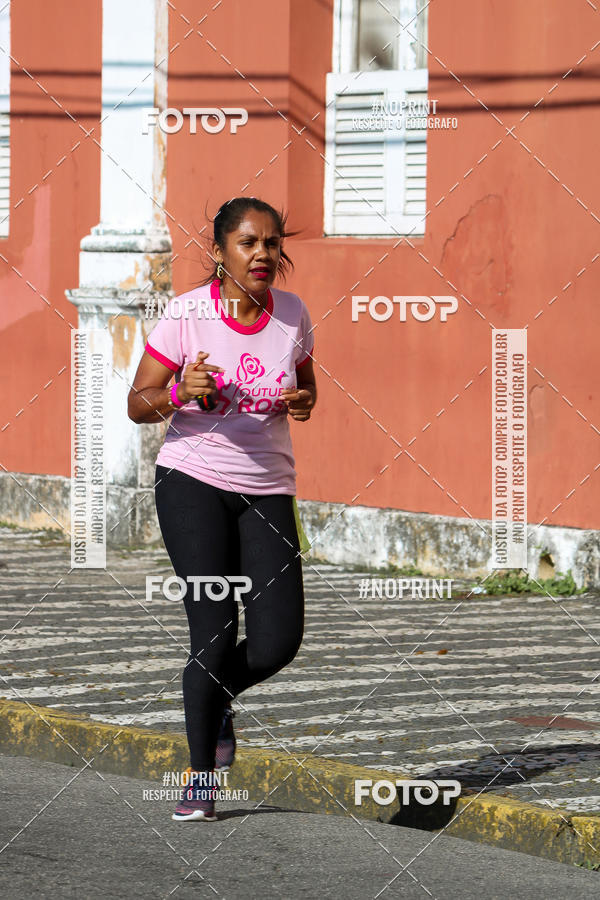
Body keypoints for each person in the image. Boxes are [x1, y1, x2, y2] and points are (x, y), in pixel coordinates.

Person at [127, 197, 316, 821]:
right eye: (247, 242)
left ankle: (217, 700)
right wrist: (181, 391)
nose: (262, 254)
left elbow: (306, 385)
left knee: (278, 641)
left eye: (271, 243)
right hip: (193, 483)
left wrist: (303, 401)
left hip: (268, 488)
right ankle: (200, 777)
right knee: (213, 632)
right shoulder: (187, 314)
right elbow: (138, 403)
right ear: (219, 251)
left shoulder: (292, 313)